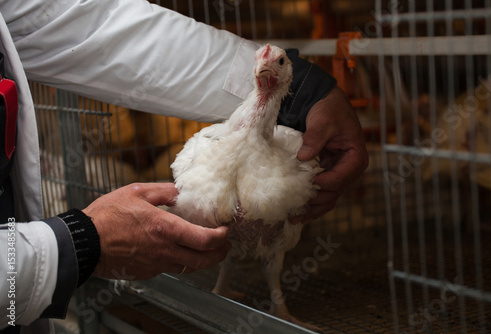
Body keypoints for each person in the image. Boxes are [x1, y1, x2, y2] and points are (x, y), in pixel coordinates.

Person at [0, 0, 368, 332]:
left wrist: (308, 91)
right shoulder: (208, 150)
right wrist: (76, 245)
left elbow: (96, 28)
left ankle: (270, 299)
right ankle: (230, 289)